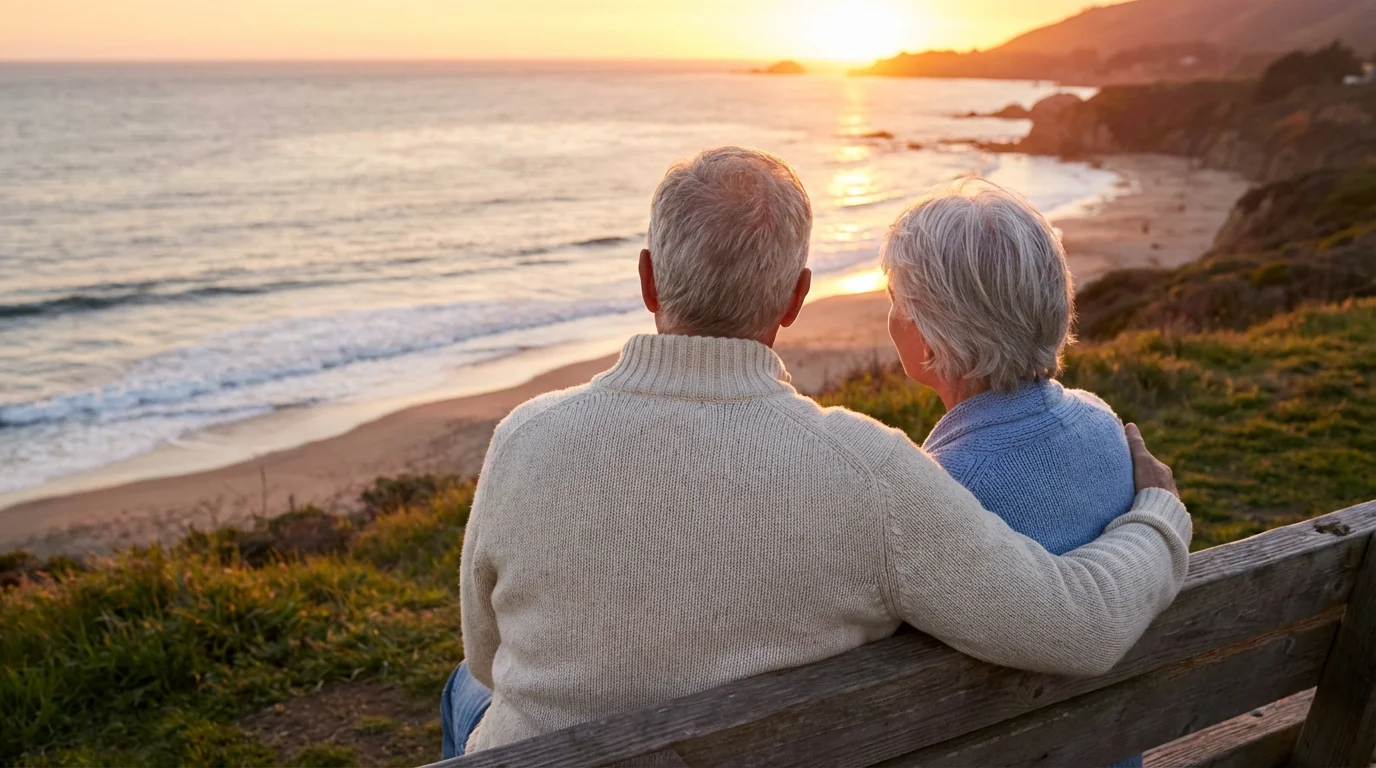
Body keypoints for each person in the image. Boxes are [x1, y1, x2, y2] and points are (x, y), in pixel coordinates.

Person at [440, 146, 1190, 759]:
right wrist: (1157, 509)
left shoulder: (526, 436)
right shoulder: (869, 469)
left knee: (462, 689)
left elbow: (487, 654)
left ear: (647, 279)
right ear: (795, 298)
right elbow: (1077, 623)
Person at [882, 179, 1148, 767]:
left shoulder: (940, 494)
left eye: (896, 298)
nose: (890, 312)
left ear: (928, 338)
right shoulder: (1107, 429)